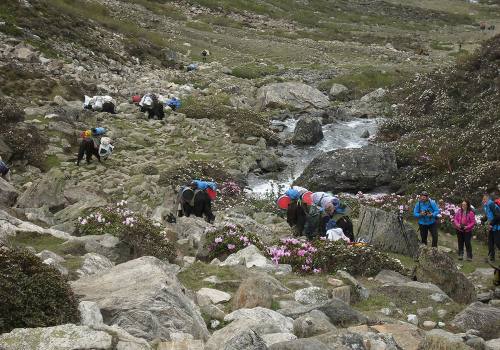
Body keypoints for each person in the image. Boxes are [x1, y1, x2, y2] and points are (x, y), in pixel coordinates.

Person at [482, 193, 500, 262]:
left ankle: (491, 258)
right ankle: (491, 258)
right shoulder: (486, 206)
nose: (483, 200)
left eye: (484, 199)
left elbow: (498, 216)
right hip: (492, 227)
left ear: (488, 199)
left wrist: (491, 224)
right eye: (482, 199)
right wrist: (483, 220)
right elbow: (489, 215)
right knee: (490, 242)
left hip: (497, 227)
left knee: (497, 243)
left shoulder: (491, 204)